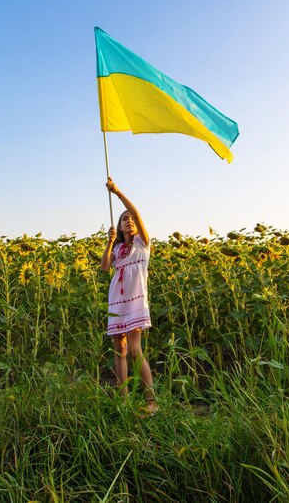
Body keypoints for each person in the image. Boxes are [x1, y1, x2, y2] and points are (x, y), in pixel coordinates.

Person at [100, 177, 158, 414]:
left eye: (132, 219)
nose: (130, 221)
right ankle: (122, 400)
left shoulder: (143, 243)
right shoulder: (117, 248)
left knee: (135, 349)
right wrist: (109, 242)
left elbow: (135, 210)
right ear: (120, 225)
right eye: (125, 219)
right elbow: (105, 267)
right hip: (117, 300)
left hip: (135, 301)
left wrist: (117, 192)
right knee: (119, 348)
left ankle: (151, 401)